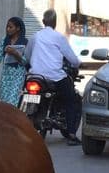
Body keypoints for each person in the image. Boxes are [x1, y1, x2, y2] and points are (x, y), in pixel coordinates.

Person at [23, 9, 82, 145]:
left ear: (43, 22)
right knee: (71, 99)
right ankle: (72, 134)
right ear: (55, 23)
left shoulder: (35, 36)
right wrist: (78, 63)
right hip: (54, 76)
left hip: (35, 75)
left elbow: (26, 56)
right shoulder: (59, 38)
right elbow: (73, 59)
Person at [0, 16, 28, 104]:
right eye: (7, 27)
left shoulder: (25, 42)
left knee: (12, 102)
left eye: (10, 27)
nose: (8, 29)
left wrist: (15, 53)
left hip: (18, 76)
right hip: (6, 76)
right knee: (4, 102)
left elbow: (25, 62)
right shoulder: (4, 41)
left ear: (18, 28)